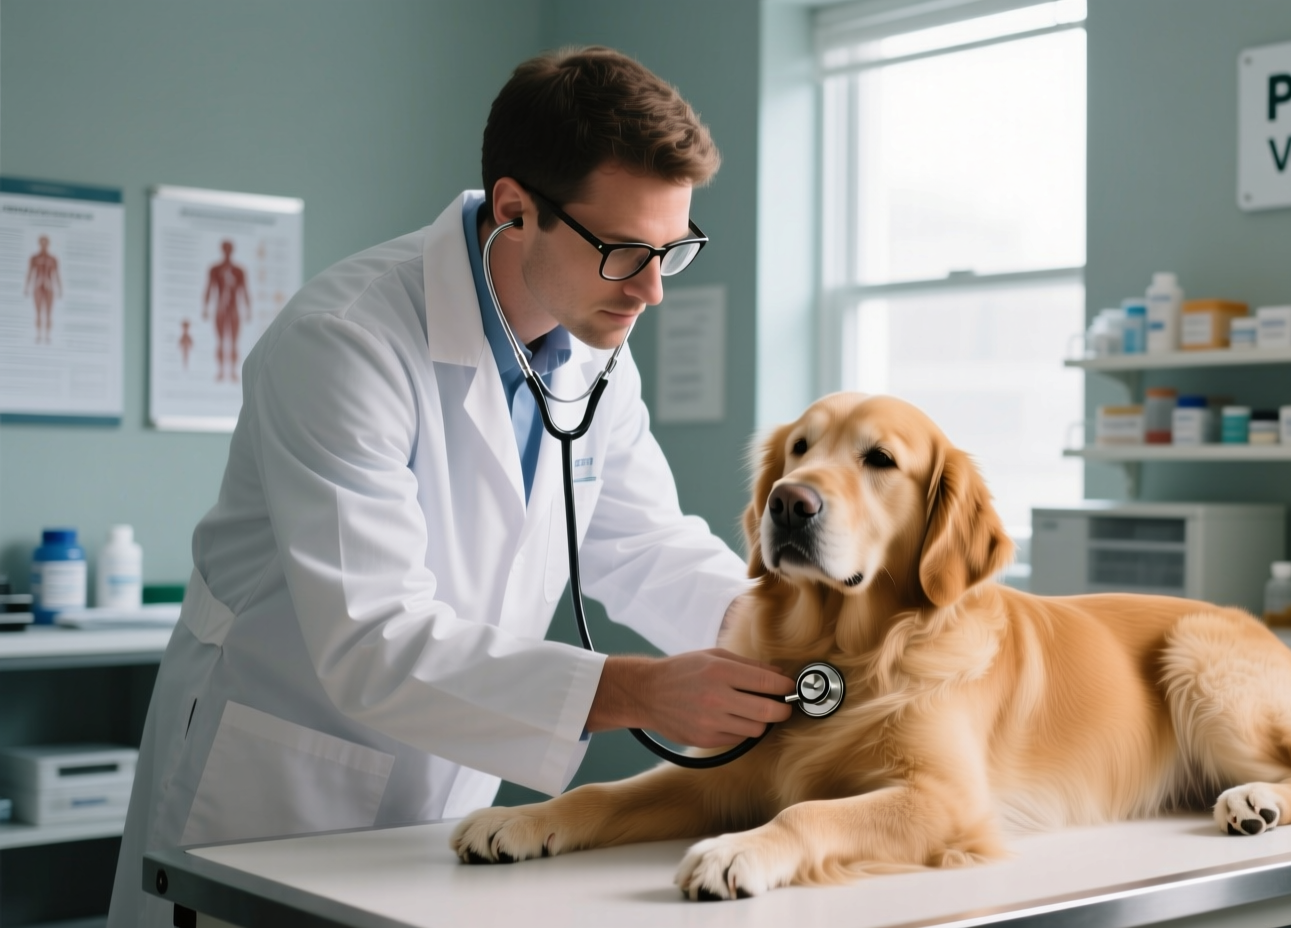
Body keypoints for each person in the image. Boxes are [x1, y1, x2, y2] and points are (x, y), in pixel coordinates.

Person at [109, 47, 794, 927]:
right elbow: (373, 637)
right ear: (515, 209)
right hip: (278, 784)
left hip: (443, 783)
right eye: (626, 252)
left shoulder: (594, 353)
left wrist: (802, 639)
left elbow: (643, 544)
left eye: (673, 250)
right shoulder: (344, 343)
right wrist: (640, 691)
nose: (654, 292)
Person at [202, 239, 251, 382]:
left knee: (234, 341)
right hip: (220, 308)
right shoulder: (215, 269)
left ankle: (233, 372)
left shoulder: (239, 271)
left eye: (229, 248)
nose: (227, 251)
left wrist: (248, 309)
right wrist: (205, 307)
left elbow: (245, 291)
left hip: (234, 308)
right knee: (220, 341)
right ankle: (221, 371)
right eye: (226, 248)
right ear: (222, 250)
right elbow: (209, 288)